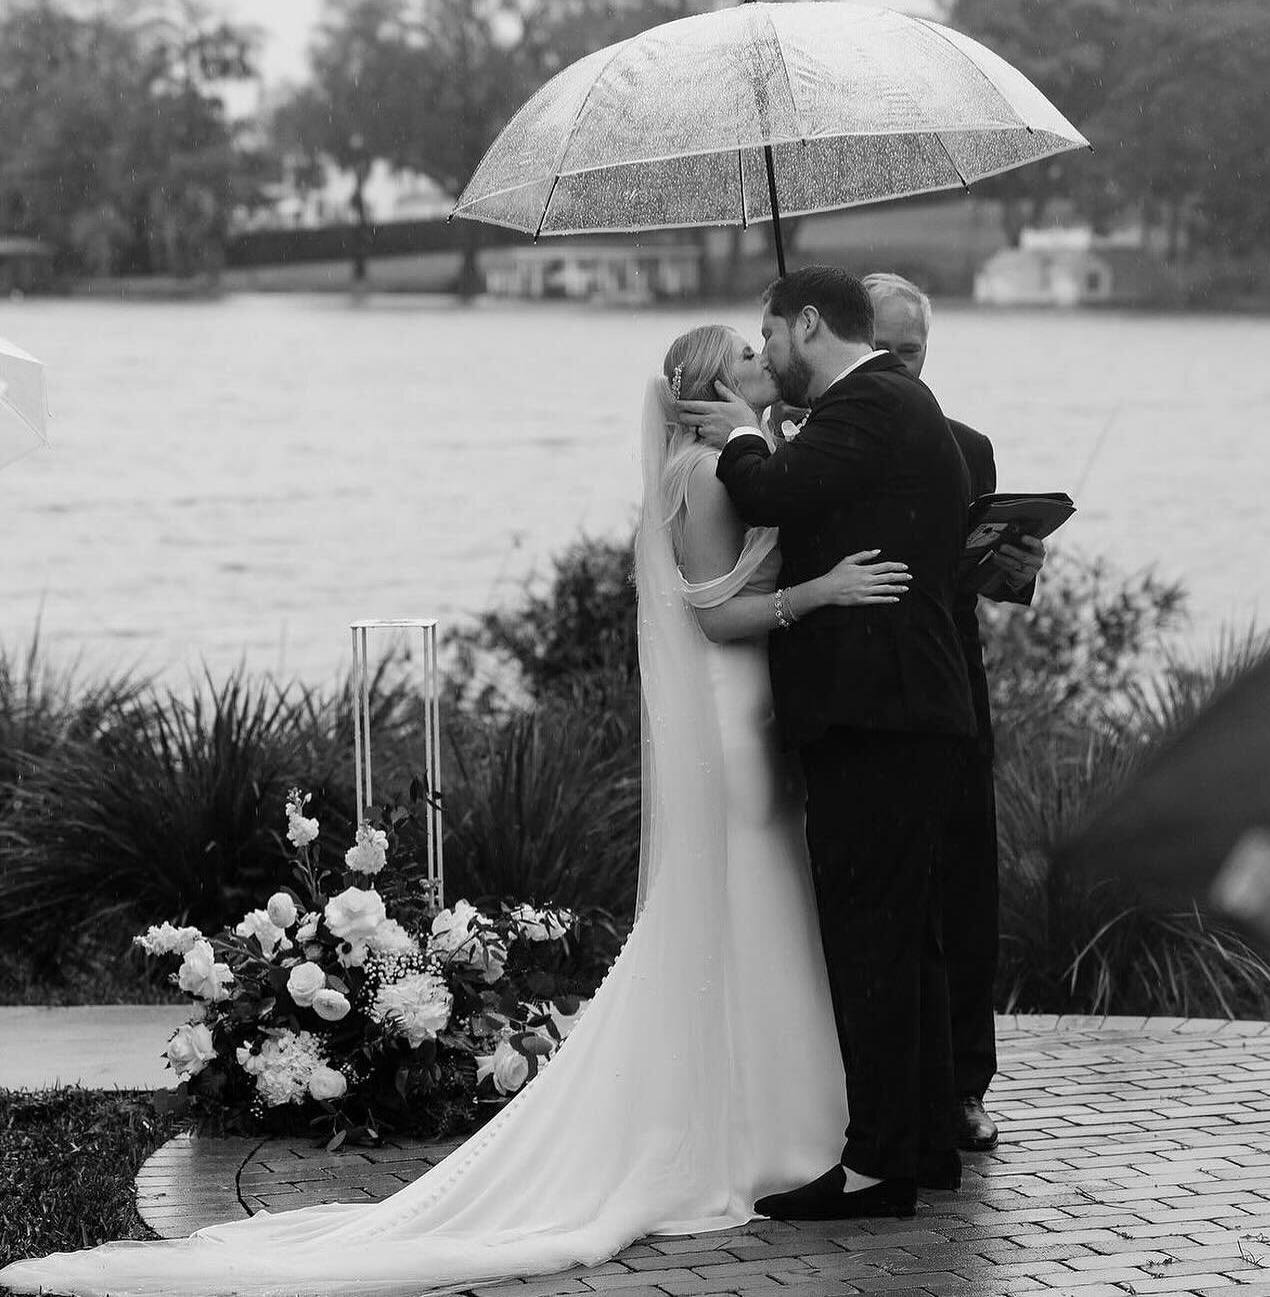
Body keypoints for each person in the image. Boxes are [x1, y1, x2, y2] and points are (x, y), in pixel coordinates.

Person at [0, 323, 915, 1297]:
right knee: (746, 910)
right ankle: (760, 1132)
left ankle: (794, 1121)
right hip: (732, 713)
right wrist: (817, 591)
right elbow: (713, 612)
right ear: (702, 385)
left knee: (767, 916)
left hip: (762, 712)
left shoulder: (755, 454)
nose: (757, 362)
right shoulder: (703, 473)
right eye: (741, 355)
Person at [678, 265, 978, 1221]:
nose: (767, 357)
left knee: (872, 942)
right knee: (910, 939)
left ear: (809, 324)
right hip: (906, 712)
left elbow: (774, 487)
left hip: (877, 716)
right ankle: (924, 1142)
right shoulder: (893, 401)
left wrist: (738, 433)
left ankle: (878, 1164)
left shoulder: (870, 402)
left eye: (770, 338)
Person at [864, 271, 1043, 1155]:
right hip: (868, 690)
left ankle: (967, 1083)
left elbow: (991, 579)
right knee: (893, 898)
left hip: (956, 683)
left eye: (914, 350)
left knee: (969, 885)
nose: (904, 365)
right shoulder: (831, 441)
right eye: (888, 349)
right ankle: (890, 1084)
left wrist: (1018, 561)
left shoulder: (969, 446)